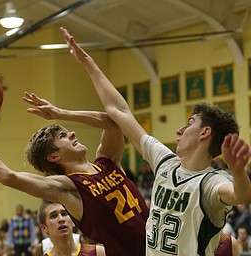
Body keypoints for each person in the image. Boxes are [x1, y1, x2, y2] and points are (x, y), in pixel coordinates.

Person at [59, 27, 251, 255]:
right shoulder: (164, 161)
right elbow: (119, 111)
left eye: (189, 124)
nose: (180, 130)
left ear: (204, 133)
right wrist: (88, 63)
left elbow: (241, 195)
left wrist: (238, 171)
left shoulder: (210, 182)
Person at [0, 89, 148, 255]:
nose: (72, 133)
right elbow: (7, 176)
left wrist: (61, 113)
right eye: (63, 136)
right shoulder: (68, 188)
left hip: (164, 245)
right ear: (53, 157)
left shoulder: (106, 160)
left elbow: (114, 123)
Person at [35, 200, 105, 256]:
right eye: (53, 216)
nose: (61, 219)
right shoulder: (41, 248)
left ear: (73, 221)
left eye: (64, 214)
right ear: (44, 228)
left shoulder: (98, 252)